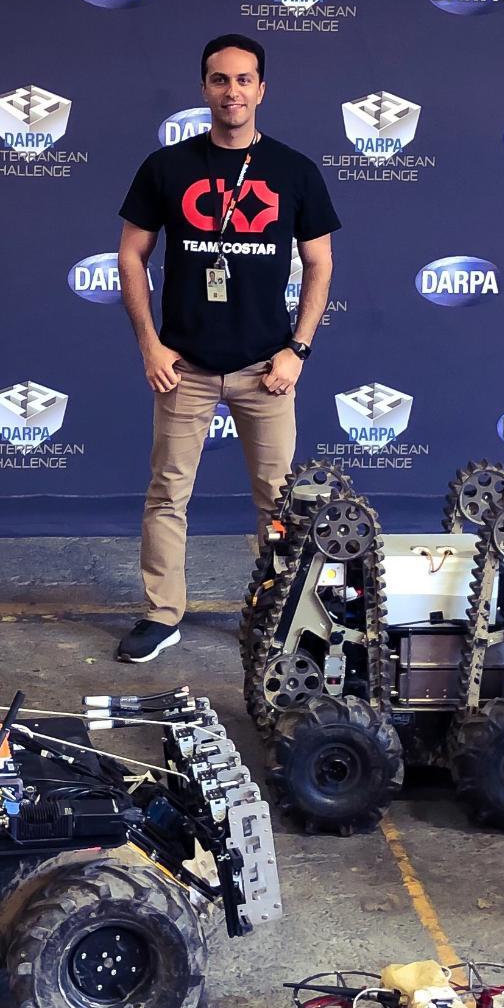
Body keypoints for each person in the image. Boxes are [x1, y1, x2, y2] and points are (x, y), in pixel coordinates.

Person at [114, 33, 340, 663]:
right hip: (182, 367)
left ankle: (284, 615)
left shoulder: (294, 171)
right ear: (204, 87)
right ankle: (163, 615)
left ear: (261, 90)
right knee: (167, 495)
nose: (232, 91)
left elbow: (319, 263)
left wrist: (298, 348)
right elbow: (131, 255)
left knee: (281, 503)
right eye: (220, 79)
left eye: (244, 80)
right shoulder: (167, 167)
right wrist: (150, 346)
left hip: (266, 367)